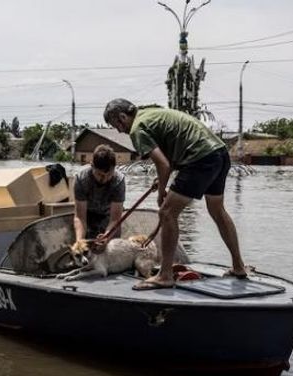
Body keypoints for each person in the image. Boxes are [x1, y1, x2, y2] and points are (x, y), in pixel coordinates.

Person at [103, 98, 247, 290]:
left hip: (200, 159)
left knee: (166, 213)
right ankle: (238, 266)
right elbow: (170, 153)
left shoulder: (137, 129)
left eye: (117, 126)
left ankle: (165, 275)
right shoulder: (150, 112)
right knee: (217, 210)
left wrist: (162, 190)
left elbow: (163, 164)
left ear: (122, 117)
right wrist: (162, 178)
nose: (120, 131)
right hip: (218, 152)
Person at [73, 144, 126, 247]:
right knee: (84, 243)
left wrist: (107, 236)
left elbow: (115, 219)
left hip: (108, 215)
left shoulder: (119, 181)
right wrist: (80, 241)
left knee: (111, 246)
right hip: (88, 214)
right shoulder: (81, 179)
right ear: (92, 166)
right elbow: (80, 217)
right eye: (100, 175)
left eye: (109, 175)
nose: (104, 179)